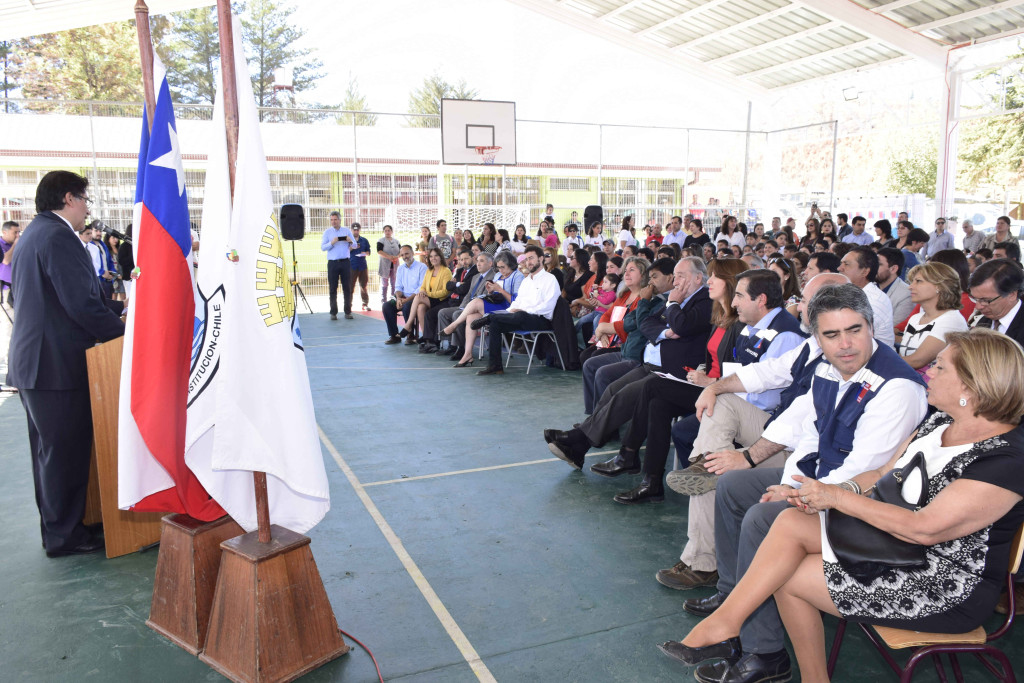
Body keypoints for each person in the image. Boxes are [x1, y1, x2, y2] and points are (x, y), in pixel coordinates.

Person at [664, 328, 1024, 683]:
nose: (929, 371)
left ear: (970, 387)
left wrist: (838, 498)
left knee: (788, 574)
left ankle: (751, 637)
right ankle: (731, 623)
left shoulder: (1006, 458)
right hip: (895, 545)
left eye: (941, 367)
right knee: (789, 524)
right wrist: (823, 491)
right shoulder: (940, 422)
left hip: (942, 582)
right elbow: (882, 473)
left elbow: (925, 528)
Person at [661, 284, 927, 683]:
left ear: (871, 327)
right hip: (821, 481)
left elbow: (865, 472)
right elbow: (810, 434)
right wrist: (784, 482)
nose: (845, 344)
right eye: (832, 335)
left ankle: (763, 652)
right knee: (734, 486)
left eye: (854, 330)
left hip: (862, 505)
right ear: (817, 338)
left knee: (762, 517)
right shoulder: (829, 368)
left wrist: (793, 494)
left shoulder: (896, 388)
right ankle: (733, 595)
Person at [657, 274, 848, 591]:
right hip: (778, 431)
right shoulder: (813, 345)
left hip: (802, 454)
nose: (797, 306)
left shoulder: (839, 356)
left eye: (804, 300)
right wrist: (714, 388)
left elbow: (799, 424)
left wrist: (747, 457)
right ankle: (705, 466)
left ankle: (703, 563)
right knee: (718, 426)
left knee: (720, 468)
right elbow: (765, 373)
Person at [596, 268, 806, 505]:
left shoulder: (783, 335)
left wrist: (714, 385)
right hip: (726, 391)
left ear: (761, 299)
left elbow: (766, 392)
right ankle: (652, 480)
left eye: (739, 295)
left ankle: (697, 485)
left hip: (759, 411)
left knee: (663, 401)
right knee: (658, 403)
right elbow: (741, 369)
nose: (734, 301)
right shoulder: (748, 323)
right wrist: (712, 381)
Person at [7, 171, 125, 557]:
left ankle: (60, 529)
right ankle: (65, 536)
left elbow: (52, 298)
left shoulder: (34, 234)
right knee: (64, 455)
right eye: (85, 200)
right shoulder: (58, 237)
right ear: (70, 198)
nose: (88, 209)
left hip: (36, 363)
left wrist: (119, 310)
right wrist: (125, 332)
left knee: (50, 454)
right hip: (54, 365)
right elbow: (79, 304)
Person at [544, 257, 717, 469]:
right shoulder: (676, 299)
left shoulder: (702, 301)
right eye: (676, 276)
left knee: (626, 395)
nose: (676, 281)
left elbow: (681, 326)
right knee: (613, 389)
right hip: (653, 364)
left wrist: (672, 305)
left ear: (698, 278)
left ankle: (580, 440)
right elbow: (646, 324)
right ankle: (580, 445)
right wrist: (665, 332)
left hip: (675, 371)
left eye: (681, 276)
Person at [581, 258, 677, 413]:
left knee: (602, 372)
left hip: (634, 353)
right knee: (589, 364)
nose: (626, 273)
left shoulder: (654, 299)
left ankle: (601, 420)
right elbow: (615, 315)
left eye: (631, 270)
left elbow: (638, 323)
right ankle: (593, 416)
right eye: (625, 270)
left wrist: (607, 328)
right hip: (626, 348)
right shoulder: (626, 295)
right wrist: (602, 329)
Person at [475, 246, 561, 376]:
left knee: (520, 314)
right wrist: (509, 311)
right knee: (495, 324)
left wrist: (524, 310)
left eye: (531, 258)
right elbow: (517, 302)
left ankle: (489, 317)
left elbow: (548, 306)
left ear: (541, 258)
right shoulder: (526, 281)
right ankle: (495, 366)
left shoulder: (550, 279)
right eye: (526, 259)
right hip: (520, 318)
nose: (528, 262)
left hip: (541, 320)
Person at [444, 250, 523, 368]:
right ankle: (467, 354)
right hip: (496, 304)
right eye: (499, 267)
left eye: (503, 267)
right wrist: (491, 290)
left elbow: (516, 301)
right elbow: (495, 294)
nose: (500, 270)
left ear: (511, 264)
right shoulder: (498, 275)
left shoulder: (518, 276)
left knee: (476, 301)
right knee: (470, 317)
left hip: (508, 308)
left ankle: (454, 324)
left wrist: (500, 290)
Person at [899, 262, 968, 371]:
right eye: (912, 282)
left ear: (939, 286)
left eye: (918, 281)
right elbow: (904, 356)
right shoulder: (915, 318)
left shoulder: (951, 320)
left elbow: (916, 361)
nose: (910, 287)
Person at [437, 252, 494, 360]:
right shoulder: (476, 277)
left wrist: (465, 309)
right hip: (468, 306)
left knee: (457, 314)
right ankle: (451, 345)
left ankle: (460, 347)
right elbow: (468, 295)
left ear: (490, 263)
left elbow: (486, 296)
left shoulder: (494, 276)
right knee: (443, 312)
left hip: (480, 309)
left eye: (481, 261)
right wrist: (463, 307)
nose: (478, 264)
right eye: (477, 261)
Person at [422, 247, 477, 354]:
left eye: (466, 259)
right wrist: (457, 284)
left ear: (473, 258)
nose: (464, 262)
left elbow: (465, 289)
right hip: (452, 301)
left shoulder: (475, 272)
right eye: (461, 259)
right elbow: (448, 285)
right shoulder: (460, 270)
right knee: (429, 312)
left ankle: (452, 346)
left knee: (443, 312)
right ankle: (436, 342)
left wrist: (455, 285)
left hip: (462, 303)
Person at [838, 246, 895, 347]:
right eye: (841, 263)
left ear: (864, 272)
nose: (839, 268)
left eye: (846, 264)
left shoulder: (873, 301)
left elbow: (853, 338)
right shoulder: (850, 292)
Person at [397, 247, 451, 346]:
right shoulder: (429, 271)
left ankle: (408, 325)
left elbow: (445, 292)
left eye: (436, 256)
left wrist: (427, 294)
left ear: (440, 257)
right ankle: (427, 338)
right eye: (431, 256)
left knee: (418, 297)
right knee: (420, 307)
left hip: (441, 300)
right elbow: (423, 287)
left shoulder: (446, 271)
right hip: (430, 299)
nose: (433, 258)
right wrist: (422, 291)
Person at [968, 258, 1024, 346]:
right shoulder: (983, 322)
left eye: (985, 300)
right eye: (975, 298)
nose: (978, 307)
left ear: (1011, 295)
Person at [382, 245, 427, 344]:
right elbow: (398, 286)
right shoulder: (400, 268)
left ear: (413, 253)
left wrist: (406, 300)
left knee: (407, 306)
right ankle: (394, 335)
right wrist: (398, 298)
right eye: (402, 255)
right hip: (402, 297)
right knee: (387, 306)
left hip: (417, 298)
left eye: (407, 253)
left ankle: (410, 335)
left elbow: (421, 288)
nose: (404, 256)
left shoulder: (422, 267)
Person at [320, 210, 355, 320]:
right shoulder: (327, 232)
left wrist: (350, 241)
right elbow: (323, 247)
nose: (333, 222)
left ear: (340, 220)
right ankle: (333, 313)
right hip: (333, 263)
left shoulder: (346, 231)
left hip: (345, 263)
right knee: (333, 288)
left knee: (347, 288)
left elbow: (355, 245)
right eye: (331, 220)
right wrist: (332, 242)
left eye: (335, 219)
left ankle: (348, 312)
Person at [0, 220, 20, 392]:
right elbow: (6, 261)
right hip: (5, 293)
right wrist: (15, 245)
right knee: (9, 333)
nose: (17, 235)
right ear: (5, 232)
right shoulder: (2, 246)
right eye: (15, 232)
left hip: (15, 291)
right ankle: (10, 377)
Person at [876, 247, 913, 326]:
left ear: (893, 269)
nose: (873, 268)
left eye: (878, 264)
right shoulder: (870, 286)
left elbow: (895, 327)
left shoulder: (906, 294)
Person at [376, 224, 401, 305]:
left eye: (389, 230)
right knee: (385, 283)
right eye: (385, 231)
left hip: (395, 265)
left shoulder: (396, 241)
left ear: (391, 231)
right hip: (385, 265)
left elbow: (401, 251)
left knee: (394, 283)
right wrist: (389, 257)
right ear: (383, 232)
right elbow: (379, 251)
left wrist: (397, 257)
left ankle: (393, 300)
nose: (387, 232)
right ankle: (384, 301)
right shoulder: (381, 241)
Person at [349, 223, 371, 311]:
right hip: (352, 265)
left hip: (363, 265)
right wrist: (352, 247)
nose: (356, 231)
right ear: (351, 230)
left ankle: (365, 304)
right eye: (354, 230)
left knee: (364, 286)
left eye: (357, 230)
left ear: (359, 230)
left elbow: (368, 252)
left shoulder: (364, 240)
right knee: (350, 286)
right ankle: (349, 305)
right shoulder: (348, 240)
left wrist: (365, 253)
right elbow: (344, 251)